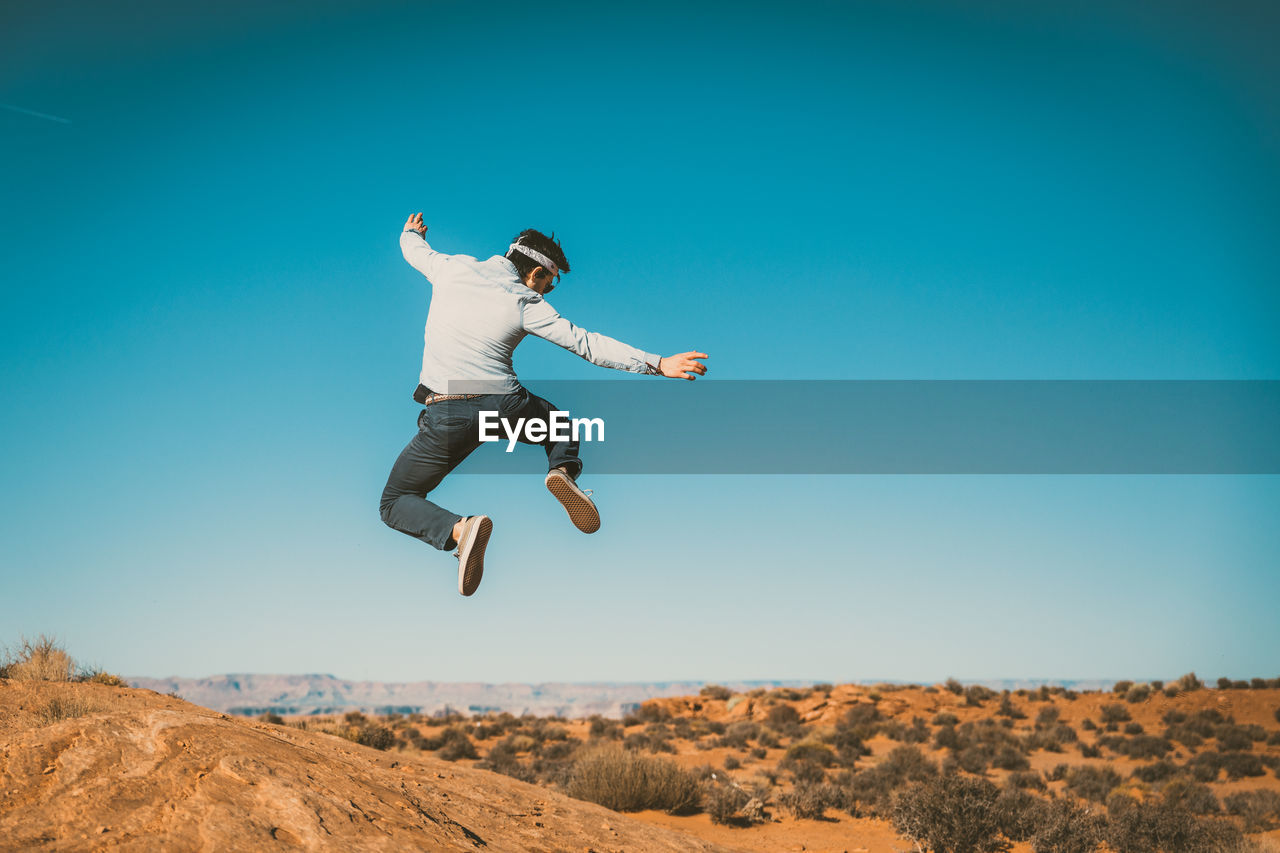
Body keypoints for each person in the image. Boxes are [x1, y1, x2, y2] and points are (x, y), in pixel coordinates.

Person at [380, 212, 708, 596]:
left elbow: (414, 250)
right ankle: (563, 472)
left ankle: (458, 529)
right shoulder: (524, 300)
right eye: (547, 286)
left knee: (395, 502)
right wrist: (658, 363)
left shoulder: (450, 268)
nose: (544, 294)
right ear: (534, 274)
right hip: (503, 406)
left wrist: (409, 232)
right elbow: (586, 343)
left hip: (445, 412)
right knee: (561, 427)